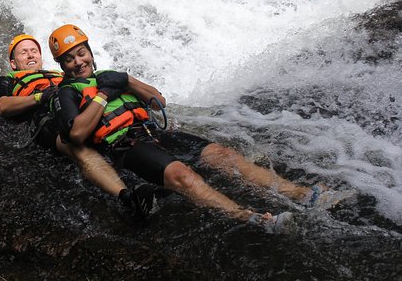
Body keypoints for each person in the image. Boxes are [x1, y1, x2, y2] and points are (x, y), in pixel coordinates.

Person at [48, 24, 352, 232]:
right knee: (183, 176)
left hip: (158, 134)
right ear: (62, 66)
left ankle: (302, 194)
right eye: (70, 59)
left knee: (223, 154)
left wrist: (126, 80)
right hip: (126, 146)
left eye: (81, 53)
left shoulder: (111, 76)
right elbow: (76, 134)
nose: (78, 62)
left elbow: (157, 101)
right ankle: (253, 218)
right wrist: (102, 95)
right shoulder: (67, 92)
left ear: (90, 50)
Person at [0, 33, 158, 218]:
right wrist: (39, 97)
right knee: (76, 146)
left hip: (79, 108)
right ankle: (127, 198)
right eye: (23, 53)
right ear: (13, 63)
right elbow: (2, 106)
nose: (30, 55)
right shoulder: (7, 80)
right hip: (46, 118)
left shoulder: (63, 75)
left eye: (34, 51)